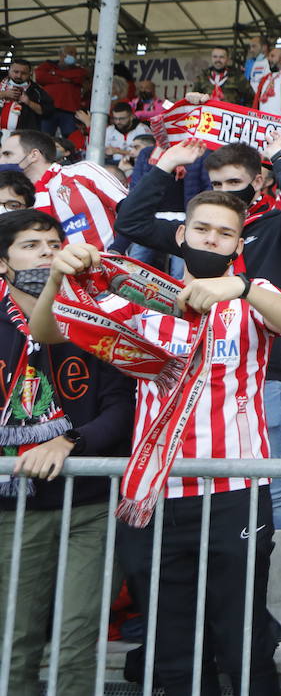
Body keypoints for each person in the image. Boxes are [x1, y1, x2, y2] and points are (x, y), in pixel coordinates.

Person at [30, 191, 281, 696]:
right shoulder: (136, 296)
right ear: (181, 235)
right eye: (203, 228)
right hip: (155, 492)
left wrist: (242, 287)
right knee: (172, 643)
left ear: (237, 244)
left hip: (236, 489)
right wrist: (57, 278)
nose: (212, 238)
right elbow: (48, 332)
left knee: (241, 636)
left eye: (225, 233)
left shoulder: (251, 294)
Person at [113, 134, 281, 528]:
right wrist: (164, 165)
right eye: (216, 184)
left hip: (261, 372)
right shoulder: (201, 234)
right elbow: (130, 222)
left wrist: (278, 157)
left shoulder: (278, 226)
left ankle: (272, 583)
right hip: (190, 379)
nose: (225, 191)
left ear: (257, 182)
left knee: (270, 486)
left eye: (233, 182)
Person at [0, 210, 134, 696]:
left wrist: (70, 441)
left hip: (91, 501)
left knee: (76, 638)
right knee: (14, 638)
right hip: (14, 508)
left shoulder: (92, 316)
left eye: (53, 243)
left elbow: (121, 405)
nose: (46, 253)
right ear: (3, 263)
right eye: (30, 245)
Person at [0, 129, 127, 250]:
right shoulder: (17, 199)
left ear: (33, 155)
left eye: (7, 154)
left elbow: (130, 210)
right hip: (55, 272)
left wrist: (116, 251)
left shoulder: (83, 171)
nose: (1, 161)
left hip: (109, 268)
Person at [32, 46, 87, 138]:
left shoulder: (79, 70)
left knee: (71, 138)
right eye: (70, 53)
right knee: (45, 137)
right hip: (48, 108)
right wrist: (63, 79)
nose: (73, 56)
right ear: (61, 55)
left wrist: (54, 74)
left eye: (75, 54)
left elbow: (79, 77)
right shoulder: (48, 65)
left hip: (70, 110)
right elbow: (40, 77)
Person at [190, 46, 254, 106]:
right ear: (211, 58)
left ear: (228, 59)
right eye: (215, 57)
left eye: (221, 57)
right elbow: (193, 97)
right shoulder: (203, 77)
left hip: (229, 116)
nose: (218, 60)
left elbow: (251, 97)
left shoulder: (237, 77)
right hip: (207, 115)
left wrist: (242, 113)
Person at [0, 59, 53, 132]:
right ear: (9, 71)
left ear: (30, 73)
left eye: (23, 73)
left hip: (25, 136)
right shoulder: (1, 84)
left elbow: (47, 112)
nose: (19, 75)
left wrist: (29, 102)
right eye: (16, 72)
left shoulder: (37, 91)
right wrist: (3, 94)